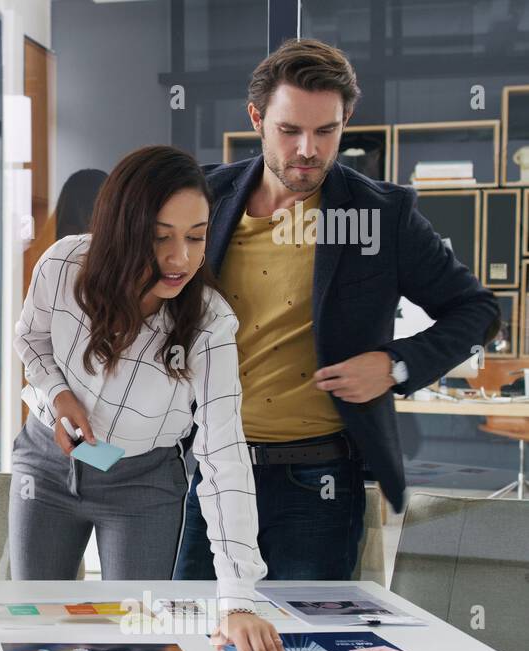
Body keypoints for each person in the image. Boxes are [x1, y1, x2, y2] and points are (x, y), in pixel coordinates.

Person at [174, 39, 499, 582]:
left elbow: (477, 310)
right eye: (290, 130)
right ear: (257, 118)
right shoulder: (202, 196)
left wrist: (394, 365)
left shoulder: (381, 214)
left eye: (327, 131)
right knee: (194, 638)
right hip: (209, 469)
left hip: (317, 483)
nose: (309, 149)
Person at [10, 145, 286, 651]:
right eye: (160, 237)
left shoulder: (210, 325)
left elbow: (224, 455)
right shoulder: (63, 264)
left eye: (195, 236)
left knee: (134, 644)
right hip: (44, 469)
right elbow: (31, 340)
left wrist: (239, 600)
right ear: (121, 228)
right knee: (38, 636)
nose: (180, 258)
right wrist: (56, 396)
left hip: (143, 488)